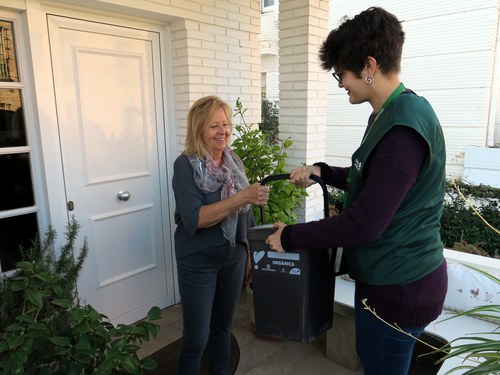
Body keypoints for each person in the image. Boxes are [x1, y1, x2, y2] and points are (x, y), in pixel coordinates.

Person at [266, 7, 448, 375]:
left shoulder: (402, 130)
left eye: (341, 73)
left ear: (369, 65)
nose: (340, 83)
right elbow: (373, 177)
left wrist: (291, 237)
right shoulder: (387, 114)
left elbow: (365, 224)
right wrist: (322, 171)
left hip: (399, 289)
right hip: (389, 282)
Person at [172, 95, 269, 374]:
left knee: (223, 329)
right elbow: (196, 219)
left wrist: (249, 251)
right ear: (198, 130)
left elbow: (246, 213)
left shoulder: (233, 161)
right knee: (196, 337)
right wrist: (242, 197)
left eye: (225, 124)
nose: (222, 131)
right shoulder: (185, 166)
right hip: (197, 260)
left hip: (234, 258)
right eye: (214, 125)